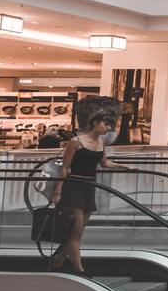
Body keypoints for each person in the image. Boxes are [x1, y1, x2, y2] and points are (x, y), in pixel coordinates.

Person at [49, 108, 132, 276]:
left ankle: (57, 262)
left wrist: (125, 167)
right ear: (96, 123)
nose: (108, 128)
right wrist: (58, 192)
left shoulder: (101, 143)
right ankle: (79, 270)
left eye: (110, 125)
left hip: (89, 187)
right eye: (106, 124)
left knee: (78, 230)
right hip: (74, 186)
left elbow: (105, 164)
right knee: (77, 230)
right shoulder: (76, 142)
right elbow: (65, 168)